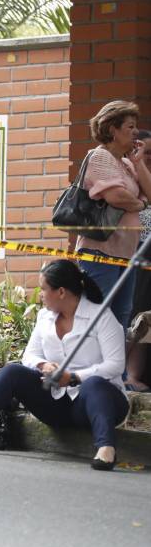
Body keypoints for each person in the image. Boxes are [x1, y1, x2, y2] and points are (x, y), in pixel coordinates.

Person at [0, 260, 128, 471]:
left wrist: (73, 377)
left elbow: (115, 365)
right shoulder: (44, 317)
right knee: (12, 371)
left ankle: (106, 449)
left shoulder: (102, 317)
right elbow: (30, 355)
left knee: (93, 384)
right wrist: (43, 365)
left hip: (96, 404)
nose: (39, 294)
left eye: (43, 289)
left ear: (61, 292)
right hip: (56, 402)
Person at [73, 101, 151, 330]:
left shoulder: (127, 163)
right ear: (112, 130)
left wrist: (139, 162)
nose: (136, 131)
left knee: (122, 314)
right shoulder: (100, 157)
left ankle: (115, 365)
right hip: (101, 250)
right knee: (98, 313)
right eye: (130, 127)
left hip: (126, 252)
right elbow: (117, 197)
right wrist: (141, 203)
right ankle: (88, 363)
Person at [127, 129, 151, 392]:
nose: (147, 158)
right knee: (131, 314)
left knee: (146, 319)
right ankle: (124, 372)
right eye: (143, 151)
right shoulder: (125, 176)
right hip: (131, 255)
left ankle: (134, 374)